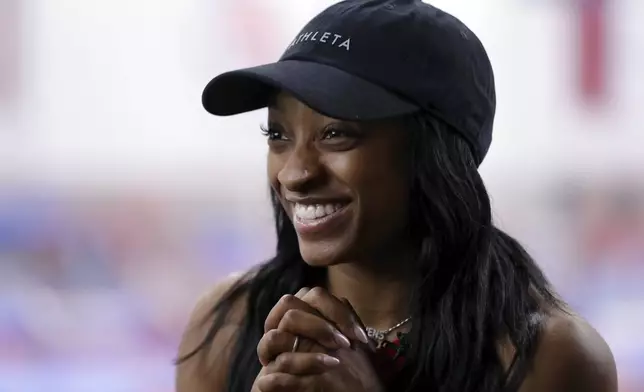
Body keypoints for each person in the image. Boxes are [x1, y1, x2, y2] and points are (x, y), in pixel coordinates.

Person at [175, 1, 617, 391]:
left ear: (434, 154)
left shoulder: (550, 358)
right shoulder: (226, 325)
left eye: (335, 134)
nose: (296, 173)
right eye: (277, 134)